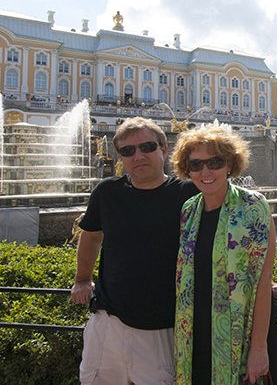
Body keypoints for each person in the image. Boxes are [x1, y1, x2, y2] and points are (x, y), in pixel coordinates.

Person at [72, 117, 200, 385]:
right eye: (128, 151)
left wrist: (262, 283)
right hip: (107, 323)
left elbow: (226, 240)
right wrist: (82, 278)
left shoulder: (189, 193)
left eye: (147, 147)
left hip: (162, 326)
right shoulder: (107, 192)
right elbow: (92, 236)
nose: (138, 156)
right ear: (120, 156)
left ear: (164, 150)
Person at [170, 125, 276, 385]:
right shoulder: (188, 210)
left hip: (240, 338)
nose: (205, 172)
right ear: (187, 169)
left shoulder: (253, 206)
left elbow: (263, 282)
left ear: (230, 164)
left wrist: (259, 349)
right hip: (194, 335)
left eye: (214, 162)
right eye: (195, 164)